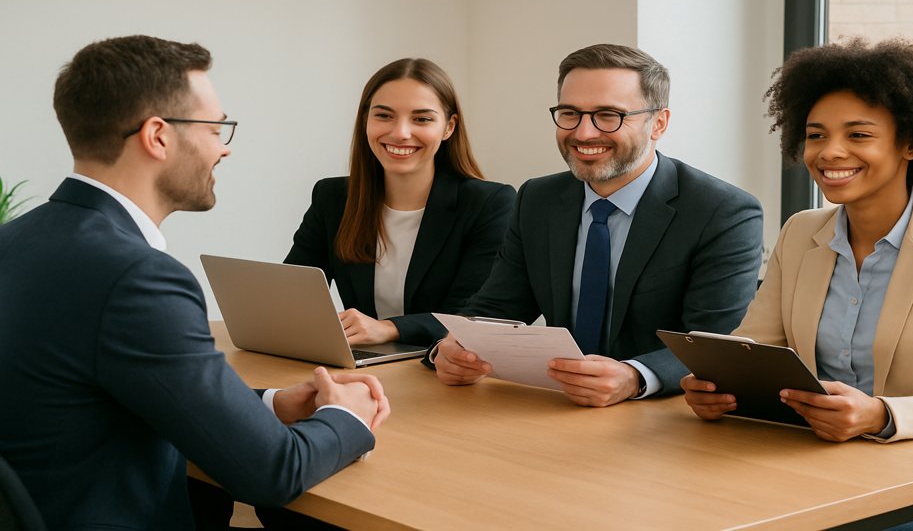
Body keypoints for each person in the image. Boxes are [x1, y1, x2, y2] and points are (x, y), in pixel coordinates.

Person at [0, 35, 390, 531]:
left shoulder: (15, 241)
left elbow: (105, 390)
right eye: (216, 128)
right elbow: (271, 473)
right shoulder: (135, 277)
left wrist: (269, 404)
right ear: (158, 136)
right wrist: (348, 416)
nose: (223, 150)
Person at [682, 37, 913, 531]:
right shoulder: (802, 231)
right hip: (811, 459)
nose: (830, 152)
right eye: (816, 135)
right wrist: (716, 385)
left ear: (912, 143)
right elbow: (754, 346)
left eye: (859, 135)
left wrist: (878, 415)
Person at [430, 43, 764, 407]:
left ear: (659, 124)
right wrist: (451, 349)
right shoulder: (538, 199)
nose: (584, 133)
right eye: (570, 113)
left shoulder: (723, 212)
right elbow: (498, 308)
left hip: (664, 420)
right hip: (556, 407)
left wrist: (636, 376)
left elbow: (711, 342)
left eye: (609, 116)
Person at [284, 58, 515, 347]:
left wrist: (390, 329)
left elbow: (472, 315)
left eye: (421, 119)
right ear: (365, 120)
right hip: (362, 365)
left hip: (441, 368)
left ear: (448, 127)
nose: (400, 132)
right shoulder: (332, 197)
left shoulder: (489, 203)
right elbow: (293, 295)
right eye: (384, 116)